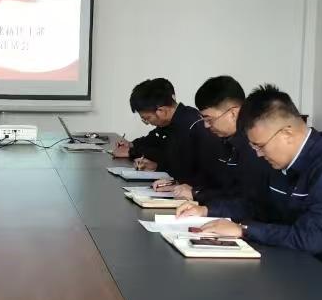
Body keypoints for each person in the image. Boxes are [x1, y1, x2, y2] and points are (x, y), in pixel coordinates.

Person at [182, 84, 322, 275]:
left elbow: (314, 238)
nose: (258, 154)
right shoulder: (281, 160)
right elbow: (256, 205)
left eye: (260, 146)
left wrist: (244, 230)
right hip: (301, 259)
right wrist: (207, 211)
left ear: (287, 133)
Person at [160, 76, 266, 214]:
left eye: (209, 119)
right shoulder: (224, 141)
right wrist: (184, 187)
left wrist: (200, 199)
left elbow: (245, 201)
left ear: (233, 114)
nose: (206, 125)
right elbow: (216, 184)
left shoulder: (255, 147)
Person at [127, 77, 221, 189]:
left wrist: (177, 184)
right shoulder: (170, 124)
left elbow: (206, 173)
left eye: (147, 118)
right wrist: (157, 167)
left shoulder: (193, 125)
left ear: (161, 111)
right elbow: (173, 162)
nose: (147, 123)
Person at [111, 79, 174, 167]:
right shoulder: (165, 125)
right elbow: (151, 139)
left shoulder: (185, 124)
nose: (147, 123)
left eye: (147, 118)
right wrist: (131, 144)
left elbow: (166, 154)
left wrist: (131, 152)